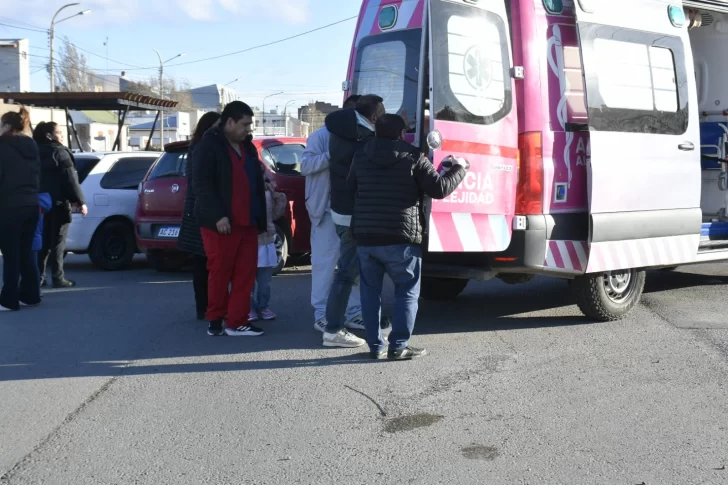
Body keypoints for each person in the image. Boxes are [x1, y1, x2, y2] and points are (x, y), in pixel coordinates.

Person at [348, 114, 469, 360]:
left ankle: (376, 346)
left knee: (369, 293)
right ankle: (398, 346)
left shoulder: (360, 155)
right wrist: (459, 169)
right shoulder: (413, 156)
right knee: (406, 291)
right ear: (401, 134)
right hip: (400, 237)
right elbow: (439, 189)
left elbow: (350, 188)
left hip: (366, 237)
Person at [192, 101, 267, 337]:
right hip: (221, 224)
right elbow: (202, 185)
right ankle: (215, 321)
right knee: (220, 273)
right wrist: (218, 216)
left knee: (245, 275)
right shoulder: (209, 146)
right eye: (244, 124)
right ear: (230, 122)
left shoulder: (248, 147)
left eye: (250, 124)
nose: (248, 129)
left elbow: (254, 182)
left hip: (248, 222)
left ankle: (237, 322)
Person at [321, 94, 385, 348]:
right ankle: (333, 329)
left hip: (342, 210)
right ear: (372, 117)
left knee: (351, 272)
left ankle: (348, 324)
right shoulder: (363, 138)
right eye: (382, 113)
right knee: (347, 274)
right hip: (354, 213)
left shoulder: (345, 129)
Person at [301, 94, 364, 333]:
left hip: (352, 212)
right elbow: (305, 166)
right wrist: (331, 156)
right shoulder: (320, 137)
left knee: (353, 264)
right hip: (325, 211)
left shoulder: (363, 136)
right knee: (324, 264)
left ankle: (354, 312)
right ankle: (322, 313)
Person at [177, 111, 222, 321]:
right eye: (217, 125)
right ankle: (204, 307)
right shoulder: (200, 148)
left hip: (198, 210)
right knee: (202, 263)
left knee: (206, 263)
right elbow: (198, 182)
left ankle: (206, 307)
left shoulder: (202, 147)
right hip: (199, 212)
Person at [34, 121, 87, 288]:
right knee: (58, 242)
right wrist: (80, 201)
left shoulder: (34, 152)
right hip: (58, 203)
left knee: (42, 242)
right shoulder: (60, 153)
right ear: (49, 135)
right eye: (59, 132)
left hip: (39, 203)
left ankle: (39, 277)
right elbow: (71, 179)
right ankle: (58, 278)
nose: (62, 135)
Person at [0, 107, 42, 311]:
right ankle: (31, 295)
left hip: (9, 205)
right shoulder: (31, 145)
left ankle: (9, 300)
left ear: (6, 126)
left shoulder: (2, 146)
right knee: (26, 252)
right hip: (31, 204)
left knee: (11, 255)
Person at [249, 176, 287, 322]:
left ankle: (263, 307)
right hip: (251, 240)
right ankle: (249, 308)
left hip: (266, 240)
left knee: (265, 281)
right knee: (248, 280)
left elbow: (277, 214)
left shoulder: (267, 191)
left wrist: (277, 194)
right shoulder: (244, 191)